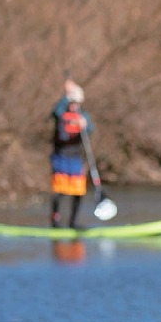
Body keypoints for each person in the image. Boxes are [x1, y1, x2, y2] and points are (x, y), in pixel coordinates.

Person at [50, 78, 94, 228]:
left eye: (76, 102)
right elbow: (56, 113)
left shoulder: (83, 116)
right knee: (60, 190)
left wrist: (84, 126)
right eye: (72, 102)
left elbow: (90, 130)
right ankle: (55, 221)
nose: (74, 105)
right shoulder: (61, 112)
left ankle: (73, 222)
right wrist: (67, 94)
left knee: (78, 191)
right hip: (61, 156)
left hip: (75, 157)